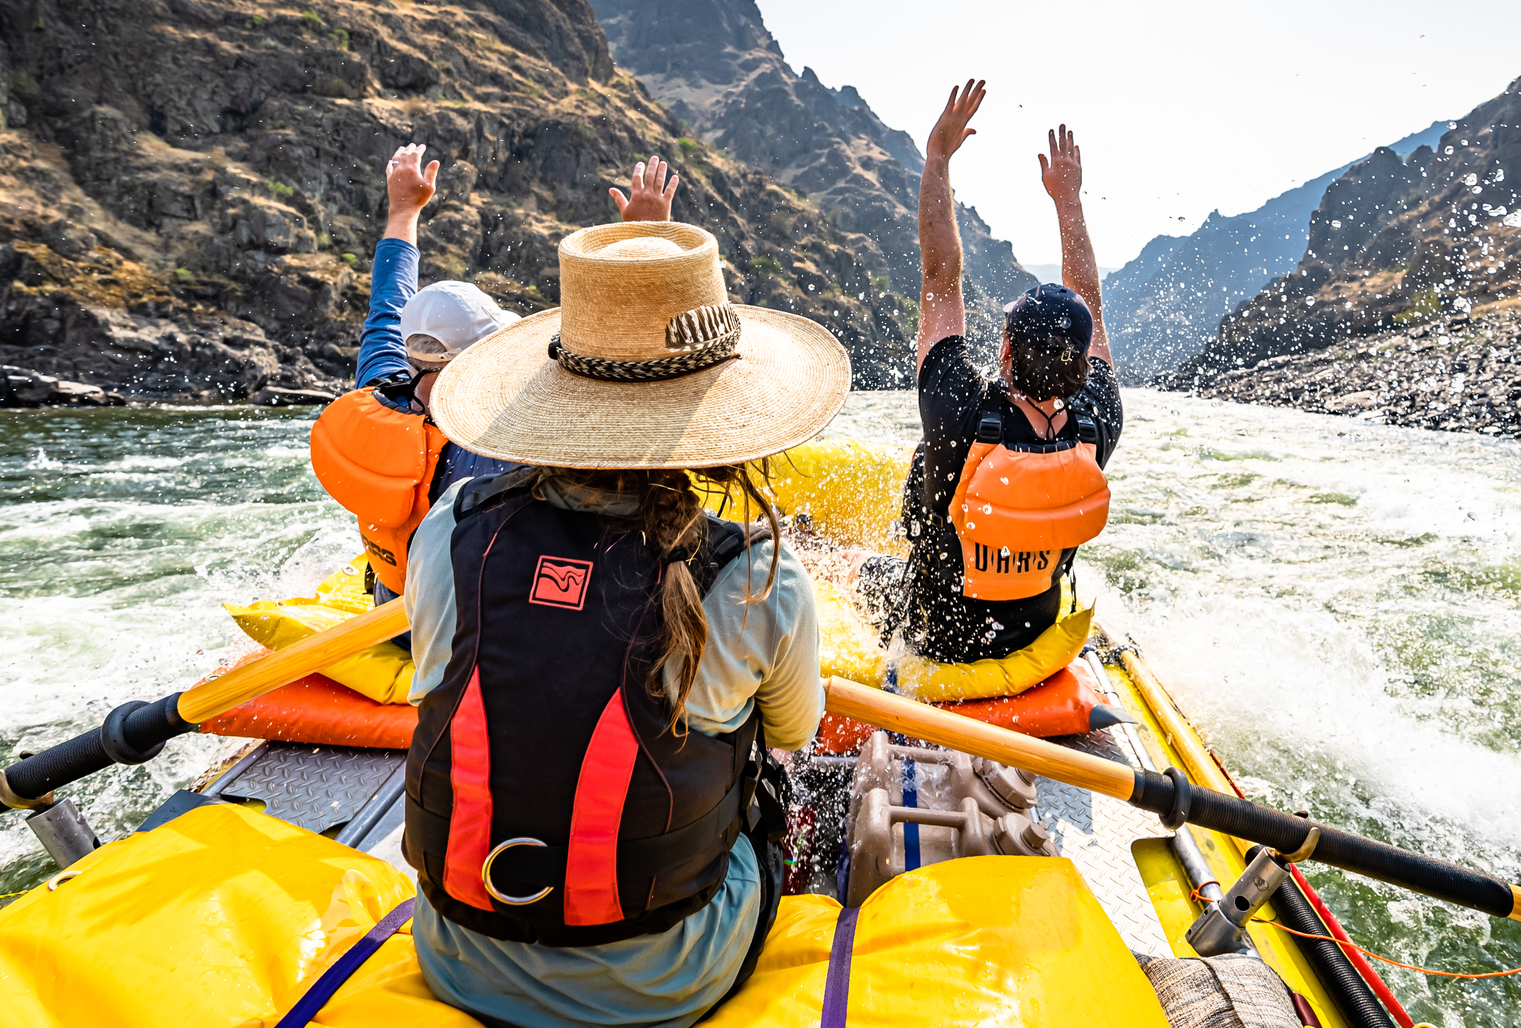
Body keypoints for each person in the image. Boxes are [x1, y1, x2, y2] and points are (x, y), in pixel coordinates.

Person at [399, 218, 848, 1028]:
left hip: (458, 953)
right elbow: (794, 730)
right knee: (773, 783)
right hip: (666, 978)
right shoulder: (756, 576)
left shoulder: (450, 527)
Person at [310, 146, 683, 607]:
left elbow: (388, 300)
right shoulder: (504, 445)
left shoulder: (380, 384)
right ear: (482, 358)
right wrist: (643, 239)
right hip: (475, 633)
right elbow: (618, 361)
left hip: (394, 611)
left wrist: (403, 210)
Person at [884, 79, 1123, 664]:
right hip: (1032, 641)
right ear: (1085, 360)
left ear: (1006, 353)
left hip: (940, 645)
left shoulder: (957, 411)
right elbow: (1088, 300)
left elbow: (940, 277)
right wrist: (1068, 201)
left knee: (871, 579)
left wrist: (937, 157)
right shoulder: (1099, 423)